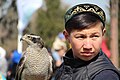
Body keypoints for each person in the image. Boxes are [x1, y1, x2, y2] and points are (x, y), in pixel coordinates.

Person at [52, 3, 120, 80]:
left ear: (103, 34)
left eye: (94, 36)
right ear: (67, 36)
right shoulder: (66, 65)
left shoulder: (106, 76)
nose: (88, 46)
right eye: (81, 37)